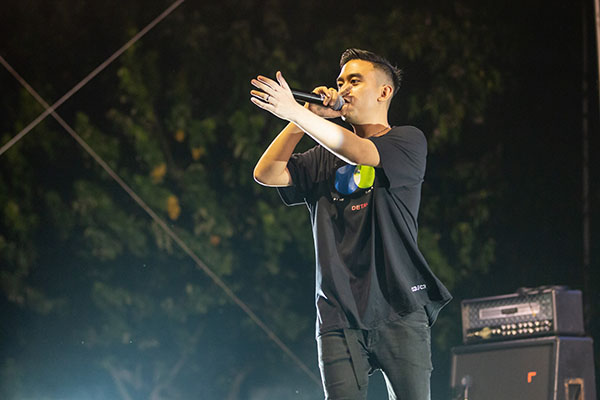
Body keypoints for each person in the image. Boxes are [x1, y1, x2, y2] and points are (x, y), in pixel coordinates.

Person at [250, 48, 452, 400]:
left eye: (355, 81)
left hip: (398, 307)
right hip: (337, 314)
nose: (343, 88)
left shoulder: (407, 141)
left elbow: (359, 152)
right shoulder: (321, 155)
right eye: (340, 81)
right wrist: (301, 119)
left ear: (384, 92)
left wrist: (297, 111)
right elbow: (266, 173)